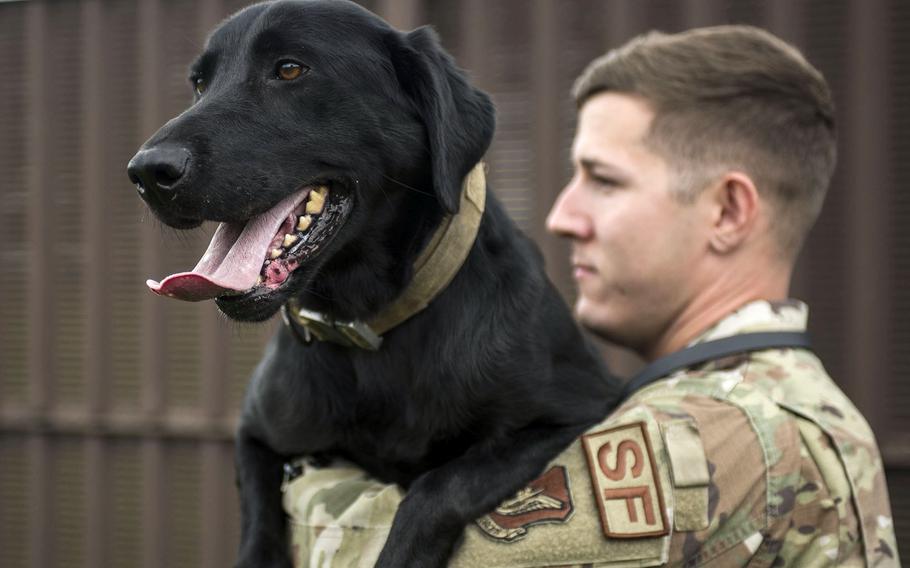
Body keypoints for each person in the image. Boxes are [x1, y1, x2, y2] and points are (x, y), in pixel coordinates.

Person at [281, 25, 899, 566]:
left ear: (728, 212)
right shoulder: (783, 403)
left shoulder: (717, 433)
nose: (561, 215)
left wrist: (295, 472)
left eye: (603, 179)